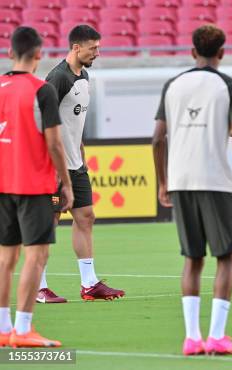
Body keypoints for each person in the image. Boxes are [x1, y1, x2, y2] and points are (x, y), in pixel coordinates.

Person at [152, 25, 232, 356]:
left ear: (192, 52)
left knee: (192, 258)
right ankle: (217, 336)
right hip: (214, 181)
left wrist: (162, 182)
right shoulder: (230, 86)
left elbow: (157, 138)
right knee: (226, 257)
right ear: (222, 53)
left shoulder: (173, 85)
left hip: (181, 180)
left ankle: (191, 337)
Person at [37, 25, 125, 303]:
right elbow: (42, 124)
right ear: (76, 48)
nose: (97, 53)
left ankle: (89, 284)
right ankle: (39, 287)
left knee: (86, 217)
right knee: (47, 225)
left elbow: (73, 124)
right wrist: (51, 167)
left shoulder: (84, 76)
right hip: (54, 167)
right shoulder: (57, 78)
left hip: (76, 166)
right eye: (93, 48)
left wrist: (81, 154)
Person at [0, 26, 74, 347]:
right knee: (36, 256)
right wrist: (67, 183)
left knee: (5, 259)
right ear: (40, 54)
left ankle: (3, 329)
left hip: (3, 185)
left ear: (9, 54)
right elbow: (55, 143)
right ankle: (23, 328)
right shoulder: (41, 90)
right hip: (33, 186)